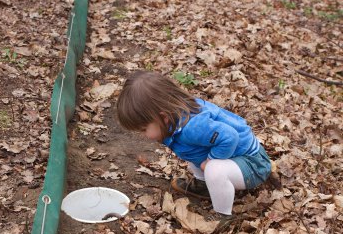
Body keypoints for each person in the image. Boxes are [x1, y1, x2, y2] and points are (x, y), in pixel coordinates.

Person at [116, 70, 272, 221]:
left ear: (163, 118)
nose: (144, 135)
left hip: (253, 165)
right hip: (236, 159)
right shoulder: (177, 116)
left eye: (144, 129)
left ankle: (223, 216)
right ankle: (204, 185)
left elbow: (230, 137)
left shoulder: (193, 127)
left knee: (213, 169)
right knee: (192, 150)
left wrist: (211, 160)